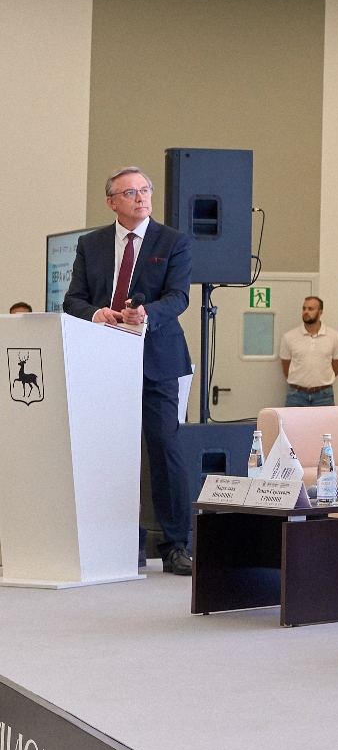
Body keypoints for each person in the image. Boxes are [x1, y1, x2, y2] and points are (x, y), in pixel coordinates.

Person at [61, 167, 195, 574]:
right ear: (112, 202)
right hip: (104, 361)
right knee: (107, 452)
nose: (141, 198)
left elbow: (179, 297)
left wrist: (145, 313)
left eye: (145, 190)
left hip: (157, 358)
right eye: (131, 192)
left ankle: (175, 544)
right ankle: (119, 543)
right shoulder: (91, 244)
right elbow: (73, 300)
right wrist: (96, 313)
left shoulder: (173, 241)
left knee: (164, 448)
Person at [277, 296, 338, 407]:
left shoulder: (334, 337)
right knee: (293, 420)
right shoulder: (289, 337)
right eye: (304, 308)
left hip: (324, 396)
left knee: (325, 420)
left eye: (310, 309)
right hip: (296, 395)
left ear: (320, 312)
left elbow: (336, 368)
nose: (306, 312)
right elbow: (286, 368)